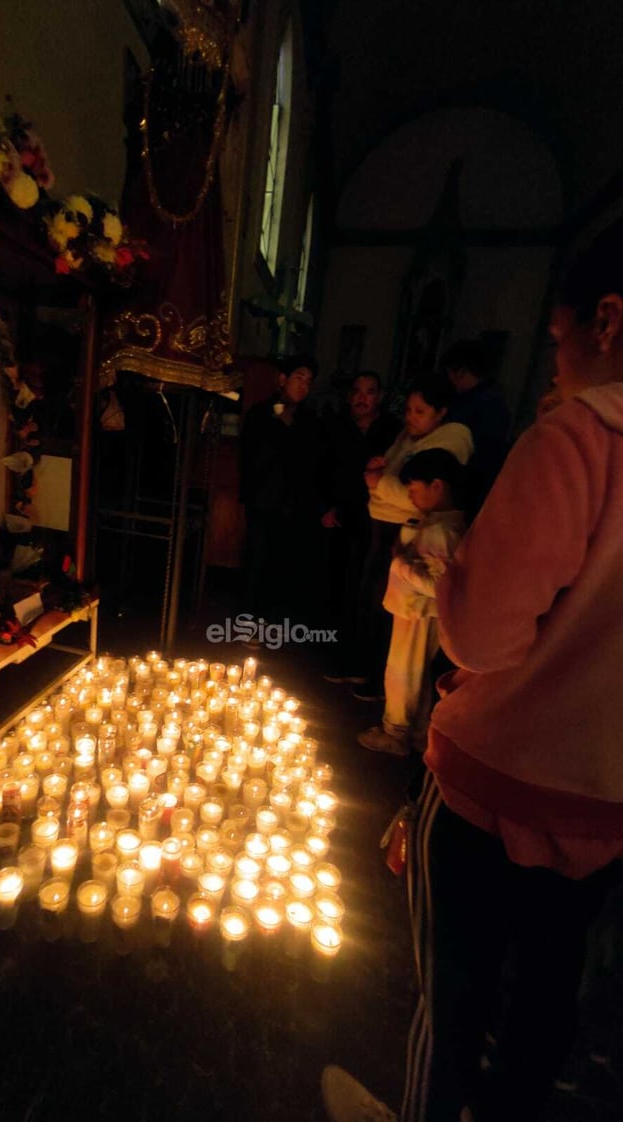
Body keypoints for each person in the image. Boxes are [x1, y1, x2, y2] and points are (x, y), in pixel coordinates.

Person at [321, 220, 623, 1122]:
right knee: (539, 1017)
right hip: (604, 808)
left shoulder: (580, 439)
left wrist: (455, 576)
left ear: (607, 319)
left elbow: (481, 637)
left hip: (500, 788)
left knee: (451, 1011)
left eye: (560, 338)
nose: (556, 361)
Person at [351, 378, 472, 701]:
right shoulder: (409, 437)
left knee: (403, 650)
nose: (410, 417)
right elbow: (394, 477)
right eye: (407, 410)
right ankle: (380, 687)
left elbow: (409, 492)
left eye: (420, 411)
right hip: (388, 528)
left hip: (412, 586)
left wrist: (380, 484)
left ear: (441, 412)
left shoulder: (449, 444)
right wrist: (379, 478)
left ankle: (396, 715)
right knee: (373, 603)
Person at [357, 449, 465, 757]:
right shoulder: (437, 524)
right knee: (413, 673)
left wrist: (400, 564)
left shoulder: (439, 531)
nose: (411, 496)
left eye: (415, 490)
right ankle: (416, 733)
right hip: (416, 611)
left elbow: (438, 585)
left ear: (437, 486)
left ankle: (396, 733)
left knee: (403, 673)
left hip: (418, 613)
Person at [320, 372, 401, 682]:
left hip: (381, 520)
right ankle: (336, 655)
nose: (362, 397)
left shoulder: (392, 430)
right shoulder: (336, 426)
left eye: (369, 391)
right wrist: (326, 505)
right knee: (341, 584)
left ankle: (363, 661)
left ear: (379, 396)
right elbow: (324, 467)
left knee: (371, 592)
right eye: (356, 391)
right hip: (345, 516)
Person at [239, 354, 322, 629]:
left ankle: (274, 624)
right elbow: (253, 458)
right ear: (283, 379)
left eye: (309, 381)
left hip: (293, 506)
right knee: (257, 560)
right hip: (263, 502)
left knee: (283, 565)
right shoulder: (260, 414)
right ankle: (250, 622)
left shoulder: (308, 420)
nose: (304, 385)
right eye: (299, 377)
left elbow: (311, 463)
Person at [440, 339, 512, 518]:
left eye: (450, 374)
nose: (449, 381)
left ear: (461, 372)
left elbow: (485, 455)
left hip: (469, 489)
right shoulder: (486, 400)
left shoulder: (485, 405)